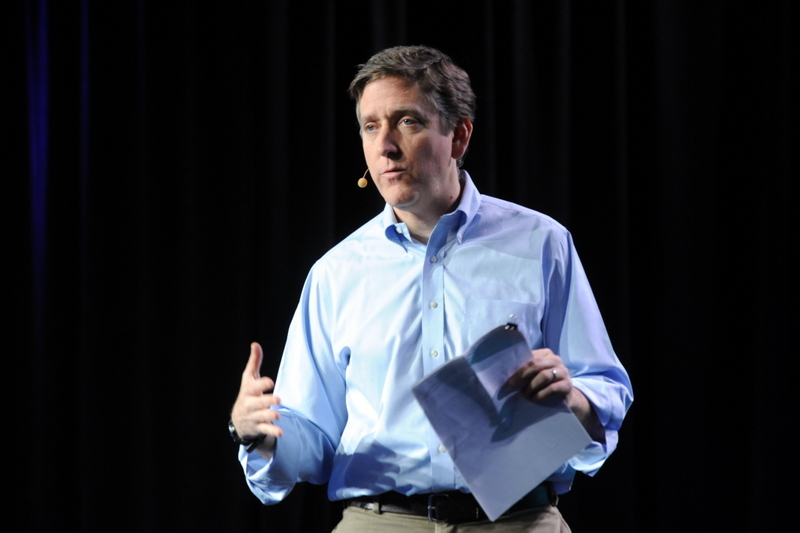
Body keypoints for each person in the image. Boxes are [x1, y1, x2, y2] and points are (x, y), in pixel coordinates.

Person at [229, 45, 633, 532]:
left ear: (459, 135)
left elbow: (605, 387)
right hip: (379, 521)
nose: (386, 147)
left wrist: (572, 399)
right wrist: (257, 432)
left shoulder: (541, 243)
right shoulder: (336, 272)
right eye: (370, 126)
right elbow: (313, 437)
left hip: (518, 519)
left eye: (407, 122)